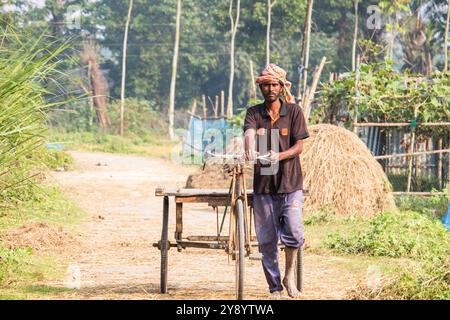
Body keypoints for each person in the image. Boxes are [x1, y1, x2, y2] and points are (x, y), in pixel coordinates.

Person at [243, 64, 309, 298]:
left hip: (291, 183)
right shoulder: (254, 113)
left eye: (274, 84)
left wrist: (279, 156)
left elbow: (299, 146)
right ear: (260, 86)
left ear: (282, 87)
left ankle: (289, 277)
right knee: (267, 240)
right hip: (264, 186)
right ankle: (274, 287)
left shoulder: (293, 112)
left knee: (294, 231)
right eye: (266, 85)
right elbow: (249, 132)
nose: (270, 89)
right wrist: (249, 147)